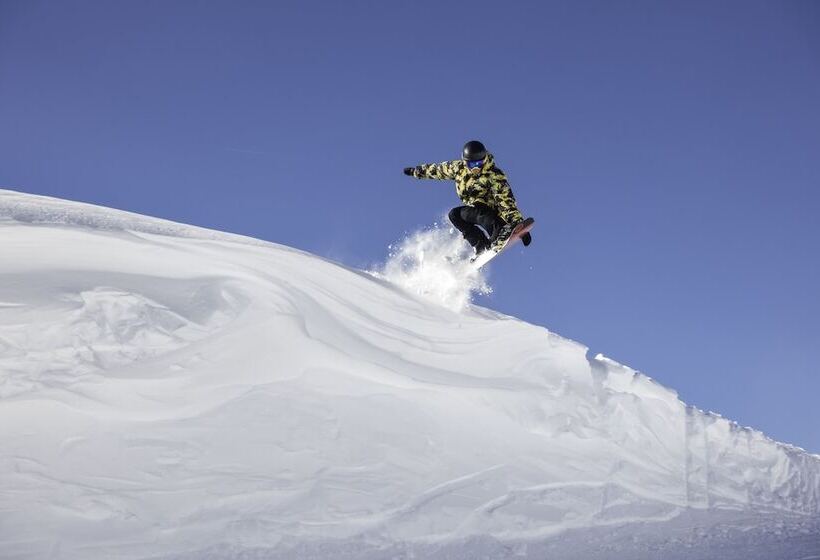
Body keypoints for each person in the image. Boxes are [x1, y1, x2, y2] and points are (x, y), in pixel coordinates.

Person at [403, 140, 531, 255]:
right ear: (465, 162)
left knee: (480, 209)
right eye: (472, 165)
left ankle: (499, 232)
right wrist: (417, 171)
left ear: (485, 160)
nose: (476, 168)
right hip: (475, 208)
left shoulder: (493, 175)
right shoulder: (458, 168)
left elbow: (506, 199)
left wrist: (518, 224)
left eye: (479, 163)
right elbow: (439, 170)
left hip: (495, 214)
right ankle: (480, 245)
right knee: (454, 215)